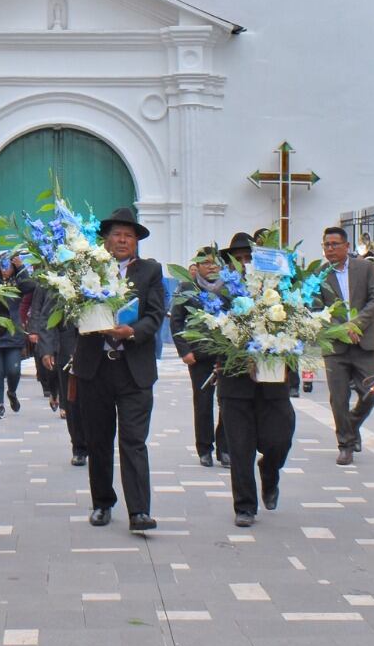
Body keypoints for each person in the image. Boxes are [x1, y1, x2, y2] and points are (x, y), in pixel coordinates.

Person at [72, 207, 166, 532]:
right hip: (94, 367)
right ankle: (102, 503)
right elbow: (70, 310)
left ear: (136, 241)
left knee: (134, 440)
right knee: (98, 440)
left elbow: (155, 315)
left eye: (129, 235)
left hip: (133, 368)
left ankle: (139, 511)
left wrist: (132, 332)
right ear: (106, 240)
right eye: (117, 234)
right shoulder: (85, 270)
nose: (123, 240)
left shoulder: (151, 271)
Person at [318, 226, 374, 465]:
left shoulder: (365, 268)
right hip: (336, 346)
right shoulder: (320, 274)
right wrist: (342, 329)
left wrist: (355, 325)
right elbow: (317, 308)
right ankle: (345, 443)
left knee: (371, 392)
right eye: (327, 245)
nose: (330, 249)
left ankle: (352, 425)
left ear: (347, 246)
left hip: (364, 341)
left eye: (335, 244)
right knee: (339, 397)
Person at [216, 339, 295, 528]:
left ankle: (269, 471)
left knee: (280, 439)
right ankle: (245, 506)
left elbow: (294, 331)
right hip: (234, 381)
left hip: (273, 378)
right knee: (240, 448)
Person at [169, 246, 227, 468]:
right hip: (199, 355)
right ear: (197, 266)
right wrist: (184, 351)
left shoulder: (229, 288)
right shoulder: (187, 287)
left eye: (215, 263)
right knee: (203, 403)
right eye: (206, 263)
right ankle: (205, 448)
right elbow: (176, 320)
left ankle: (226, 448)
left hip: (225, 353)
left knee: (227, 402)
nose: (211, 267)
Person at [31, 283, 87, 466]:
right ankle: (78, 447)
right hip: (66, 345)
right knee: (71, 400)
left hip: (95, 345)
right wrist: (46, 349)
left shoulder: (102, 270)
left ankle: (96, 442)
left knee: (95, 401)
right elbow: (47, 315)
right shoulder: (60, 279)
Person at [0, 253, 33, 419]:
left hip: (13, 333)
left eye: (8, 266)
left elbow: (31, 286)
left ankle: (12, 392)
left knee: (13, 370)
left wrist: (21, 267)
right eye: (2, 266)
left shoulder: (18, 284)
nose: (5, 270)